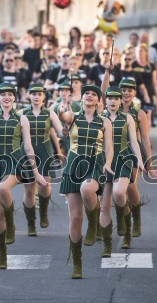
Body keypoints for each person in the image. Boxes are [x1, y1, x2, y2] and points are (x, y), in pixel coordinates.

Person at [0, 80, 48, 269]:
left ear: (14, 98)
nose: (6, 97)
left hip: (15, 161)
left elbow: (28, 146)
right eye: (3, 94)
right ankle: (2, 255)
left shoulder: (22, 119)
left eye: (10, 94)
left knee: (3, 187)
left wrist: (36, 173)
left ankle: (12, 220)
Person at [58, 84, 114, 279]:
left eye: (93, 94)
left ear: (99, 101)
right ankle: (77, 263)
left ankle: (93, 223)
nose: (90, 96)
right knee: (74, 219)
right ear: (81, 99)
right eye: (86, 94)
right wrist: (63, 109)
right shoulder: (74, 116)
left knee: (87, 188)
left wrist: (107, 164)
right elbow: (64, 117)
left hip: (94, 164)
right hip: (74, 164)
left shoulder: (105, 121)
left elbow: (109, 147)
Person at [97, 84, 144, 256]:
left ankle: (126, 228)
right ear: (105, 100)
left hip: (123, 159)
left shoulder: (128, 118)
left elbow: (133, 141)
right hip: (104, 161)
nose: (113, 101)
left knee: (120, 193)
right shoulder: (99, 117)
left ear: (120, 100)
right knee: (104, 206)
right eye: (110, 98)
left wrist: (139, 159)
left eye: (116, 98)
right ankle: (107, 246)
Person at [18, 83, 64, 236]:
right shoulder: (21, 113)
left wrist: (66, 123)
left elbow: (61, 133)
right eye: (34, 94)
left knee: (45, 186)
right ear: (29, 96)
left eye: (39, 94)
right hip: (26, 151)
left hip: (45, 151)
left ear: (44, 97)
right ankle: (31, 224)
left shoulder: (50, 113)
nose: (36, 96)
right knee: (29, 189)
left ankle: (43, 212)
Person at [115, 78, 157, 247]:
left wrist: (149, 163)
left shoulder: (140, 113)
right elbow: (103, 91)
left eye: (129, 90)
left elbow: (146, 139)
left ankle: (136, 217)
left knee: (130, 187)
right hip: (114, 153)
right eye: (123, 89)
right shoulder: (111, 109)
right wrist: (108, 72)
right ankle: (126, 228)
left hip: (133, 153)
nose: (126, 92)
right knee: (118, 193)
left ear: (134, 93)